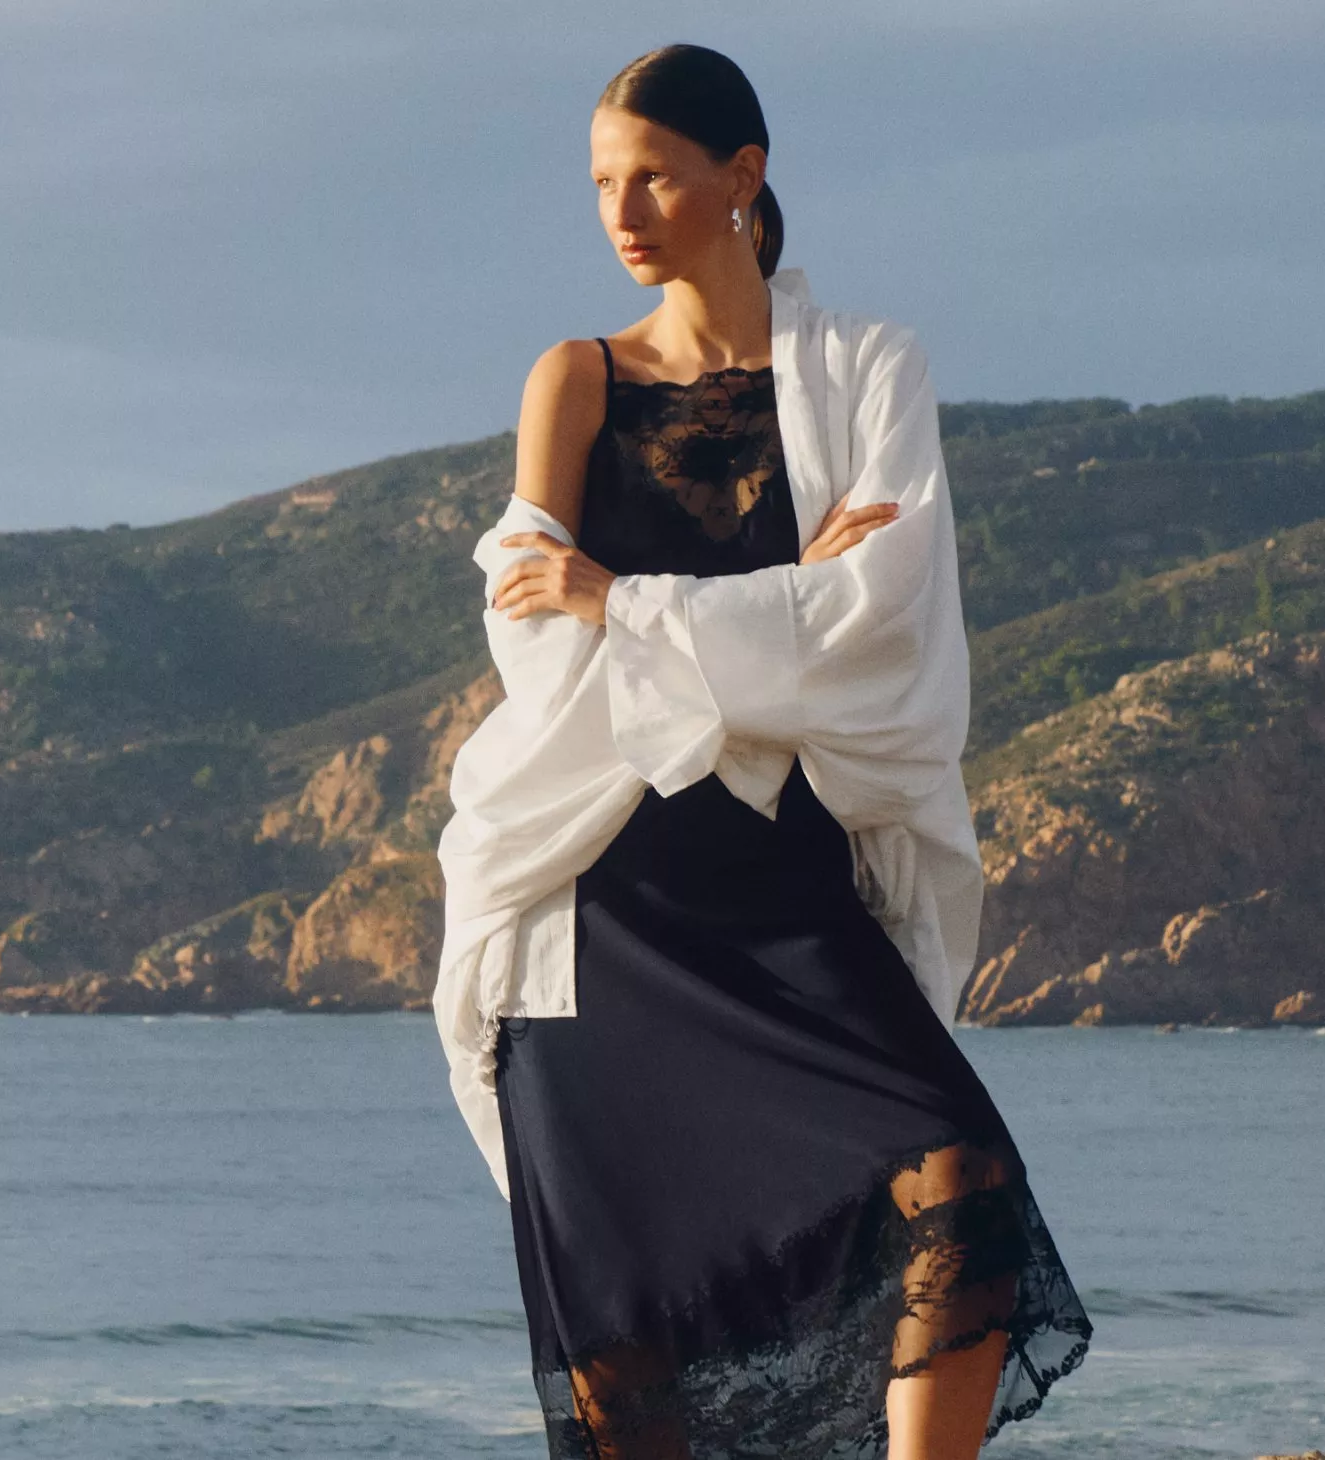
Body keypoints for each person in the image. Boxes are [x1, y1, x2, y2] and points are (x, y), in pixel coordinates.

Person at [430, 43, 1094, 1460]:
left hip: (787, 893)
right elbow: (536, 650)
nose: (624, 211)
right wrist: (769, 627)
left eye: (655, 175)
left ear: (745, 175)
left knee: (956, 1179)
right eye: (604, 182)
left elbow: (880, 630)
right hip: (602, 907)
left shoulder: (867, 370)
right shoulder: (578, 381)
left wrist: (628, 603)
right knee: (633, 1340)